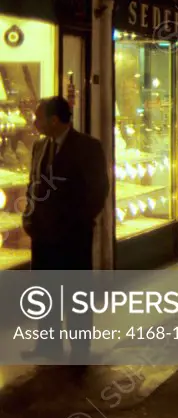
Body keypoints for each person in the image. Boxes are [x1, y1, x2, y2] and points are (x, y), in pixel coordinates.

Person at [21, 96, 108, 364]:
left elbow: (98, 190)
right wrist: (29, 216)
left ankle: (80, 349)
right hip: (43, 235)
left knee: (75, 291)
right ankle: (48, 344)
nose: (34, 123)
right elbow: (33, 184)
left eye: (38, 118)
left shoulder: (87, 147)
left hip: (73, 235)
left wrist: (78, 221)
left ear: (55, 120)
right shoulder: (39, 146)